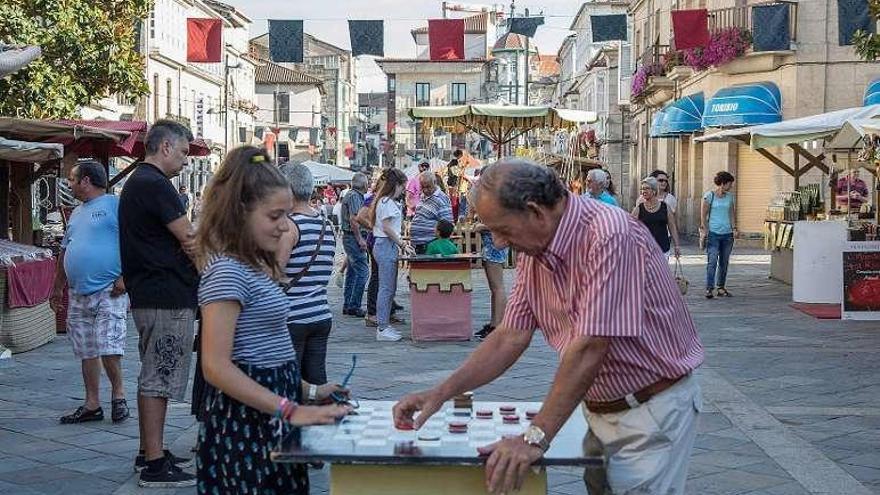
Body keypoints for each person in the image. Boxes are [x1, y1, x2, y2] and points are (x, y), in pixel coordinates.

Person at [393, 159, 704, 495]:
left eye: (503, 229)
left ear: (535, 213)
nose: (497, 242)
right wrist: (440, 394)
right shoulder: (534, 250)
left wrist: (535, 436)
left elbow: (590, 347)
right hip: (602, 408)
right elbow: (509, 336)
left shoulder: (610, 234)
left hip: (650, 411)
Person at [194, 146, 349, 494]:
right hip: (245, 426)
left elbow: (266, 353)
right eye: (275, 215)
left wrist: (310, 390)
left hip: (269, 418)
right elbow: (216, 367)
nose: (285, 226)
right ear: (240, 212)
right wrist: (290, 409)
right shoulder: (227, 273)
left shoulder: (255, 268)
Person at [119, 119, 198, 487]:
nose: (186, 161)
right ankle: (154, 463)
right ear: (165, 147)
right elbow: (189, 238)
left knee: (153, 371)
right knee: (160, 374)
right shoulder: (156, 184)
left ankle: (148, 451)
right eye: (183, 152)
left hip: (151, 293)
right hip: (165, 295)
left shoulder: (140, 182)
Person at [51, 161, 130, 425]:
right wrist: (57, 287)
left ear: (86, 181)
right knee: (86, 349)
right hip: (78, 292)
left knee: (108, 345)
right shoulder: (75, 213)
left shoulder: (114, 205)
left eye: (72, 180)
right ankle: (92, 403)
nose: (69, 184)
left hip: (110, 289)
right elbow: (66, 249)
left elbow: (135, 240)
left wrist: (125, 276)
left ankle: (119, 396)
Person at [277, 163, 336, 385]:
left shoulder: (290, 227)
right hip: (320, 313)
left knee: (289, 382)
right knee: (316, 380)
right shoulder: (326, 225)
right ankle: (320, 417)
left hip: (293, 316)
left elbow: (275, 270)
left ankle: (294, 420)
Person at [370, 168, 413, 342]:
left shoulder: (384, 201)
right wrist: (402, 244)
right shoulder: (387, 202)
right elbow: (387, 228)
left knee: (389, 288)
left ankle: (384, 324)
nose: (404, 190)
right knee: (386, 289)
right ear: (396, 185)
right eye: (403, 186)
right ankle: (382, 327)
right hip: (385, 245)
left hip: (385, 245)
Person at [701, 171, 736, 299]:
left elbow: (732, 214)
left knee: (724, 262)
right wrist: (706, 230)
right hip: (713, 234)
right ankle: (709, 288)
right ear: (722, 183)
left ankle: (721, 287)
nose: (731, 186)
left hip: (728, 234)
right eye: (729, 184)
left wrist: (734, 228)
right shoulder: (709, 196)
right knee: (712, 261)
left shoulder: (730, 197)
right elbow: (703, 215)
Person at [340, 173, 369, 318]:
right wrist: (360, 239)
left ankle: (348, 304)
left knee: (352, 272)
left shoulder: (351, 195)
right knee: (363, 272)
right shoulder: (355, 196)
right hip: (352, 237)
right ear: (364, 185)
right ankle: (354, 305)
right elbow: (354, 219)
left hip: (349, 237)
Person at [632, 176, 681, 258]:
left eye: (647, 188)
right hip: (644, 250)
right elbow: (631, 227)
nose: (643, 191)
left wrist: (677, 246)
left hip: (663, 248)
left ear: (654, 190)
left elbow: (672, 226)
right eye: (642, 189)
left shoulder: (665, 207)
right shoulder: (639, 209)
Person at [409, 171, 454, 254]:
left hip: (432, 246)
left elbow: (447, 224)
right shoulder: (423, 197)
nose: (425, 190)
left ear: (434, 182)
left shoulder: (441, 198)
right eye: (423, 187)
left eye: (428, 187)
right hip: (418, 246)